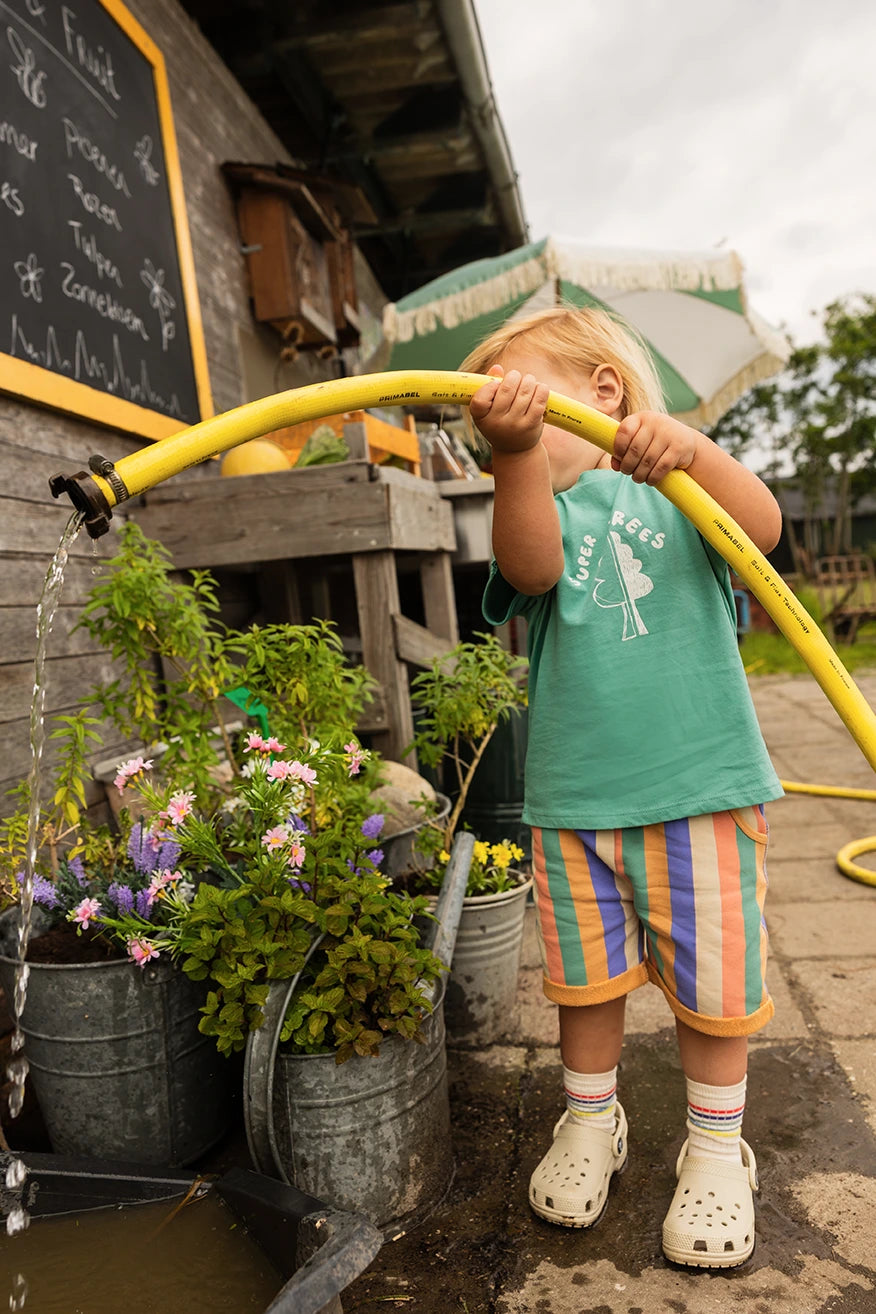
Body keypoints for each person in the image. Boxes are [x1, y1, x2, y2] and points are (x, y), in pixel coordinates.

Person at [461, 305, 783, 1269]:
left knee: (713, 991)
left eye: (528, 400)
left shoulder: (681, 492)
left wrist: (691, 450)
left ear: (603, 392)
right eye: (493, 412)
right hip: (577, 806)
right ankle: (591, 1120)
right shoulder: (544, 507)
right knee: (586, 984)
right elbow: (528, 565)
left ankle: (719, 1147)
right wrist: (512, 454)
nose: (509, 416)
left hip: (702, 791)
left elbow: (761, 530)